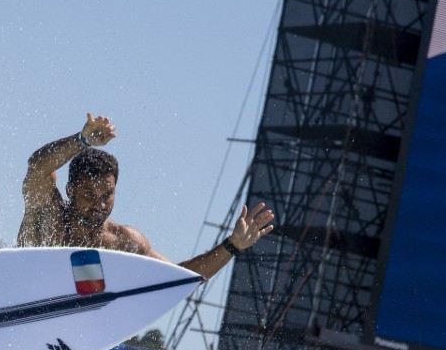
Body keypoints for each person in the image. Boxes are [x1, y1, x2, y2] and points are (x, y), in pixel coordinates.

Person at [17, 112, 274, 280]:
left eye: (107, 194)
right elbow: (38, 167)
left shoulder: (122, 242)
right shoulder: (47, 211)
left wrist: (232, 246)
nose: (99, 204)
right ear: (70, 189)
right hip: (19, 290)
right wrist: (82, 140)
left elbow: (178, 279)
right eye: (89, 194)